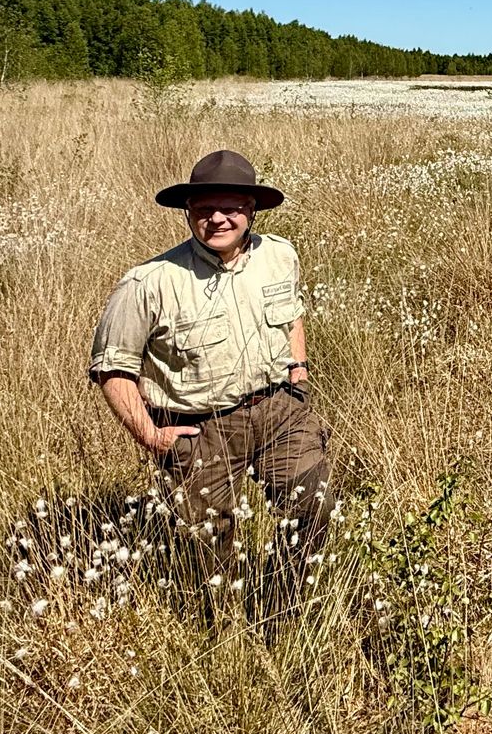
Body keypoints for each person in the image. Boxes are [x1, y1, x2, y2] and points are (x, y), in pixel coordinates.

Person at [89, 149, 331, 624]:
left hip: (281, 411)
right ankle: (217, 631)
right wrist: (151, 435)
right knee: (209, 546)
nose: (217, 219)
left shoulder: (279, 255)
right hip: (201, 432)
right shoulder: (149, 282)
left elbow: (292, 313)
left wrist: (297, 371)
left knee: (313, 510)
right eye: (204, 210)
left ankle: (280, 613)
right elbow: (112, 369)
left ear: (251, 209)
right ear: (188, 212)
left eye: (230, 208)